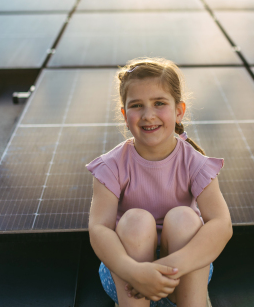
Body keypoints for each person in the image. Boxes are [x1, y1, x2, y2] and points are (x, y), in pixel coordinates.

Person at [87, 57, 233, 307]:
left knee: (185, 219)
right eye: (137, 105)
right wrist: (134, 271)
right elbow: (99, 228)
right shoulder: (111, 166)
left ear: (179, 111)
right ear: (125, 115)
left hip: (183, 275)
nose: (148, 115)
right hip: (127, 281)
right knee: (135, 220)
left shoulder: (195, 163)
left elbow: (222, 225)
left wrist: (166, 269)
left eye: (159, 103)